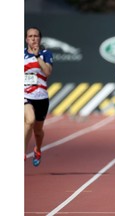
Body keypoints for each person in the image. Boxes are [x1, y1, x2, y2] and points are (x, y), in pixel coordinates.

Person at [24, 27, 53, 166]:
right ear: (26, 39)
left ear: (40, 39)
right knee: (29, 120)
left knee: (38, 131)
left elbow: (47, 72)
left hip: (41, 97)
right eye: (30, 36)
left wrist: (37, 57)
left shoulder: (45, 54)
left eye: (36, 36)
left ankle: (38, 148)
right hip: (24, 95)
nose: (33, 38)